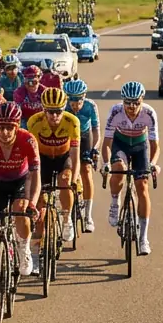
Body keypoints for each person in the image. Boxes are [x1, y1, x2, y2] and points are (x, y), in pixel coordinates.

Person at [0, 102, 41, 312]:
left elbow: (35, 175)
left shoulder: (27, 139)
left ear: (17, 125)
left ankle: (24, 247)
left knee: (21, 210)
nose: (4, 132)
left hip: (20, 182)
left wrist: (32, 202)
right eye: (0, 127)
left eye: (9, 127)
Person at [101, 81, 160, 256]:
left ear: (142, 100)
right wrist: (105, 163)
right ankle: (114, 202)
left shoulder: (149, 113)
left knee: (142, 187)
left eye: (136, 102)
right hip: (121, 144)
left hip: (140, 146)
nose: (132, 106)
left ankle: (143, 238)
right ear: (123, 101)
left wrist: (153, 163)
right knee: (118, 168)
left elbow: (154, 144)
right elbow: (107, 143)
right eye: (128, 102)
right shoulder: (115, 112)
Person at [26, 88, 82, 248]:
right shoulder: (34, 122)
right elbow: (32, 155)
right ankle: (38, 240)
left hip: (63, 158)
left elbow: (75, 155)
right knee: (39, 201)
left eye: (58, 111)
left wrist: (74, 179)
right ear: (44, 109)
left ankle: (67, 218)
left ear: (64, 109)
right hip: (42, 159)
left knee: (66, 181)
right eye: (50, 112)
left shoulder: (72, 122)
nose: (54, 115)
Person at [63, 80, 100, 233]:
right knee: (66, 170)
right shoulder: (63, 107)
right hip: (66, 136)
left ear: (84, 97)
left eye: (78, 100)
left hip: (85, 136)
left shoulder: (91, 106)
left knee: (86, 170)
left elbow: (96, 132)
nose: (75, 103)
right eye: (72, 99)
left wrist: (95, 149)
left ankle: (88, 216)